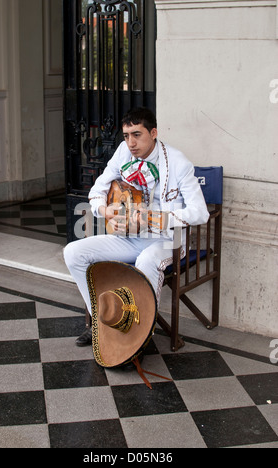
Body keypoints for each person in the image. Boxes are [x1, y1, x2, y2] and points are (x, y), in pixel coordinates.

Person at [64, 107, 210, 347]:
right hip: (129, 237)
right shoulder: (123, 152)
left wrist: (161, 217)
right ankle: (104, 322)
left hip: (166, 240)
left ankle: (139, 336)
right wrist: (104, 210)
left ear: (153, 133)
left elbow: (200, 212)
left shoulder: (178, 162)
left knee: (146, 261)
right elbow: (97, 190)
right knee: (73, 252)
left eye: (137, 134)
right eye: (126, 135)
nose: (130, 142)